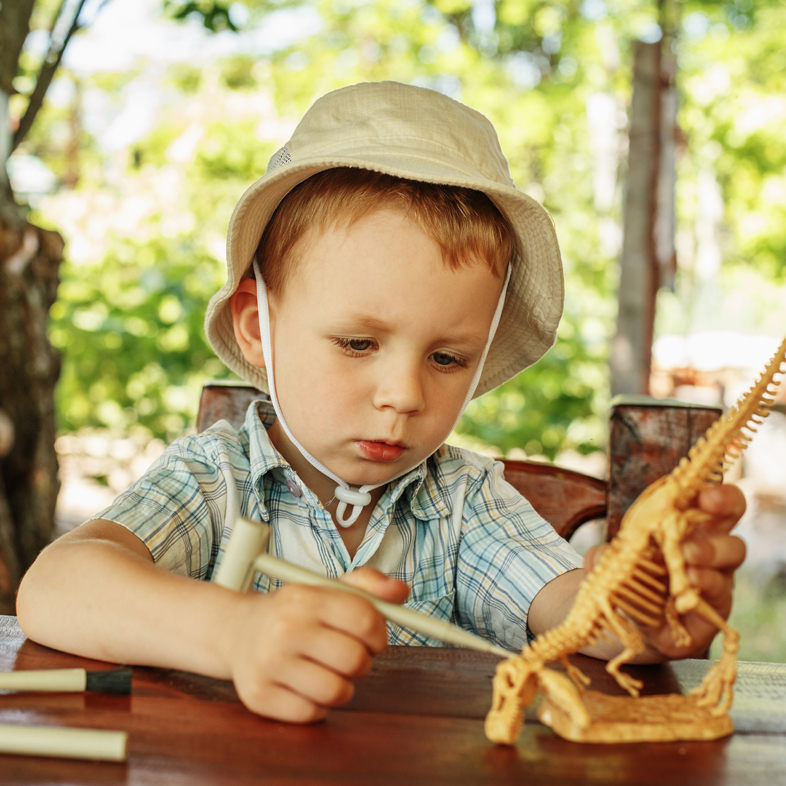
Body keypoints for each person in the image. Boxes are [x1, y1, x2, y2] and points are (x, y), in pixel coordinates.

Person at [17, 81, 746, 725]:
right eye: (358, 344)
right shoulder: (216, 479)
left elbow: (574, 615)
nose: (404, 396)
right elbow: (55, 587)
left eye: (446, 358)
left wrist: (640, 613)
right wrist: (235, 632)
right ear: (257, 331)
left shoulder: (463, 503)